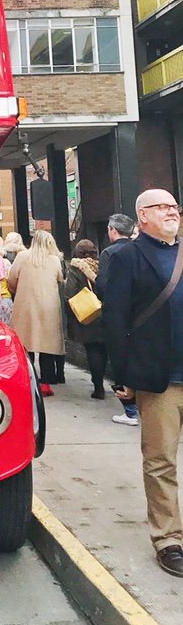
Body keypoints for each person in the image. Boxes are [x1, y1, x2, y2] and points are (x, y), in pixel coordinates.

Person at [103, 188, 183, 577]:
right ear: (143, 217)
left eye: (174, 206)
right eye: (162, 207)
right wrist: (122, 376)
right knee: (161, 462)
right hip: (160, 378)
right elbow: (115, 320)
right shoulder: (126, 257)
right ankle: (169, 539)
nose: (171, 212)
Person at [8, 230, 65, 397]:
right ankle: (46, 383)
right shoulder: (54, 260)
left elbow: (11, 279)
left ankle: (27, 379)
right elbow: (60, 279)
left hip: (25, 304)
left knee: (26, 345)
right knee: (47, 346)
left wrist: (17, 290)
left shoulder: (22, 257)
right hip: (48, 306)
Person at [95, 212, 139, 425]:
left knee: (120, 361)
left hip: (117, 318)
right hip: (141, 316)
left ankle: (130, 410)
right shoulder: (141, 250)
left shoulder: (110, 253)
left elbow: (102, 286)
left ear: (113, 230)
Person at [64, 239, 107, 400]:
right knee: (105, 350)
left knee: (93, 350)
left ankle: (98, 387)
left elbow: (69, 294)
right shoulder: (102, 265)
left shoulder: (75, 268)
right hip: (105, 313)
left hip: (88, 316)